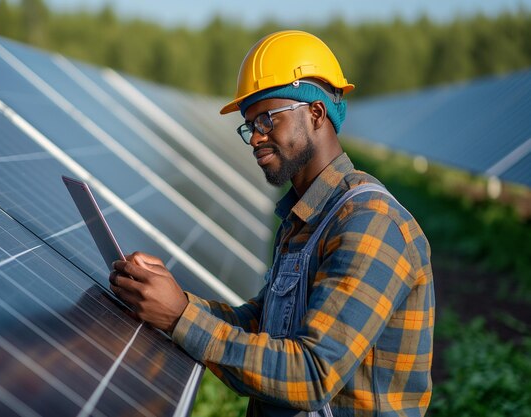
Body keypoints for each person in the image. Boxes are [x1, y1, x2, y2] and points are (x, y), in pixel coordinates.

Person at [110, 30, 434, 417]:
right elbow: (262, 326)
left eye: (267, 119)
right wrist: (169, 300)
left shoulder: (371, 224)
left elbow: (314, 375)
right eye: (250, 125)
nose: (255, 138)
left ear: (316, 113)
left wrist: (181, 317)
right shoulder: (307, 217)